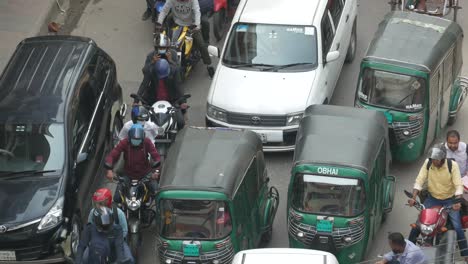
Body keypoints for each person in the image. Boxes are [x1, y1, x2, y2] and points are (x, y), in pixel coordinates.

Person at [407, 145, 468, 258]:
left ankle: (465, 254)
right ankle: (406, 252)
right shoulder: (428, 163)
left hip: (449, 200)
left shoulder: (452, 165)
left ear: (443, 158)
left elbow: (458, 185)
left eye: (437, 159)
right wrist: (413, 198)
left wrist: (457, 201)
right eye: (432, 159)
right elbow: (419, 180)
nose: (434, 161)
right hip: (432, 199)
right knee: (418, 225)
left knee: (457, 226)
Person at [156, 0, 215, 78]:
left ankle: (209, 65)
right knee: (163, 42)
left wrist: (197, 25)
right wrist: (159, 22)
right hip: (176, 23)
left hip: (191, 25)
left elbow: (197, 12)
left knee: (201, 45)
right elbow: (164, 11)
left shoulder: (193, 1)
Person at [105, 124, 161, 204]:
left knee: (158, 194)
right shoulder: (124, 142)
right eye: (133, 139)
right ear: (129, 138)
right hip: (128, 176)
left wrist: (156, 172)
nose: (136, 141)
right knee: (117, 199)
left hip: (145, 175)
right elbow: (113, 155)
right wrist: (109, 170)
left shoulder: (147, 142)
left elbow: (157, 157)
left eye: (138, 139)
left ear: (143, 138)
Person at [135, 57, 187, 127]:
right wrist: (136, 101)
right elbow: (144, 84)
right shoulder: (151, 69)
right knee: (142, 120)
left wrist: (183, 102)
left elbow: (179, 86)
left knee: (180, 123)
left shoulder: (175, 70)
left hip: (171, 101)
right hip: (153, 101)